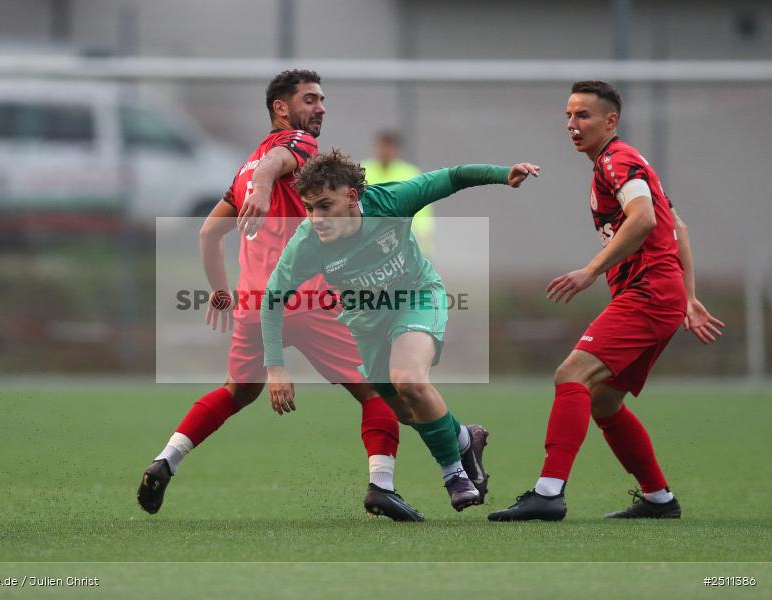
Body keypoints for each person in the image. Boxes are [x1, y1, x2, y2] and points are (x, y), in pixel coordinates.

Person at [138, 70, 461, 522]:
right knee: (377, 392)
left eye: (322, 100)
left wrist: (220, 292)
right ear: (281, 108)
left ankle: (166, 459)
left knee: (236, 392)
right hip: (311, 298)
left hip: (255, 302)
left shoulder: (245, 167)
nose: (320, 108)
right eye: (310, 99)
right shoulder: (300, 147)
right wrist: (271, 180)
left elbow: (210, 233)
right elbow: (278, 165)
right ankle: (381, 486)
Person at [488, 80, 725, 522]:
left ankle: (548, 492)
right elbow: (679, 228)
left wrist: (590, 270)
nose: (572, 125)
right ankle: (659, 500)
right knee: (604, 402)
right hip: (663, 294)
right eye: (568, 116)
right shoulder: (623, 162)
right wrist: (688, 298)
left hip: (648, 293)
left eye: (583, 116)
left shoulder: (616, 160)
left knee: (571, 375)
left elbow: (646, 220)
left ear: (610, 121)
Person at [261, 149, 539, 511]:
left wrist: (504, 174)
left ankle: (454, 473)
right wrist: (275, 366)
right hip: (366, 320)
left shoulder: (391, 201)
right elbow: (272, 299)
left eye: (325, 206)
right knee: (408, 412)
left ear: (351, 197)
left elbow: (453, 176)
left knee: (408, 379)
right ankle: (464, 437)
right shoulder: (306, 244)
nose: (316, 218)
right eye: (309, 208)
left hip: (417, 297)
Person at [362, 131, 433, 254]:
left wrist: (422, 233)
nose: (386, 151)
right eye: (383, 146)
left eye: (390, 147)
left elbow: (422, 209)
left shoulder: (410, 173)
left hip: (403, 240)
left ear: (396, 149)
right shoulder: (362, 171)